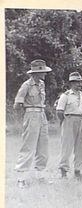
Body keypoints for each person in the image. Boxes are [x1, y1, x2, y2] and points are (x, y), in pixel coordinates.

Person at [13, 59, 52, 188]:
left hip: (41, 115)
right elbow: (17, 104)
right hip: (31, 115)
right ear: (35, 73)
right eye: (43, 72)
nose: (45, 74)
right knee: (28, 146)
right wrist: (25, 116)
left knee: (43, 146)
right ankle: (21, 178)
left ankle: (40, 175)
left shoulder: (41, 84)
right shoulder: (26, 85)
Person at [56, 72, 82, 179]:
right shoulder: (66, 96)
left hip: (80, 120)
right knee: (67, 147)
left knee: (80, 147)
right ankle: (63, 171)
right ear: (72, 83)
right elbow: (59, 111)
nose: (79, 84)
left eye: (80, 82)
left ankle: (77, 170)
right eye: (77, 82)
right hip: (69, 119)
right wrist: (65, 121)